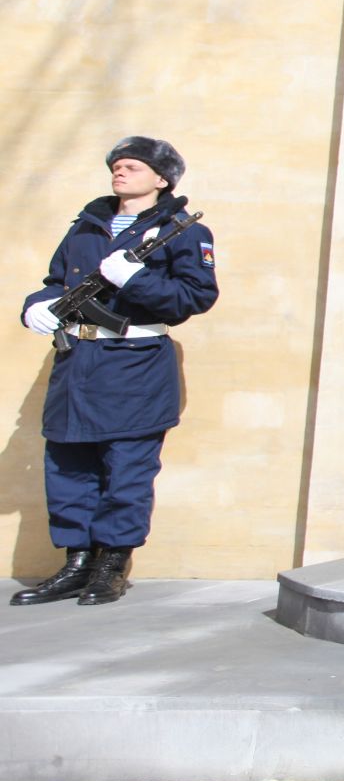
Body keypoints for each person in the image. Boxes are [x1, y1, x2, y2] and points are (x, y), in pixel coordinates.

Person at [14, 138, 218, 607]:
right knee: (68, 465)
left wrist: (136, 279)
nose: (119, 173)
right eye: (116, 167)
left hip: (136, 366)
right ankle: (76, 563)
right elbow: (54, 283)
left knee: (126, 469)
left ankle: (110, 565)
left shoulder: (181, 231)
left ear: (161, 178)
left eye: (131, 167)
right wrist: (37, 308)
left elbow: (195, 297)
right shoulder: (87, 225)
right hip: (77, 365)